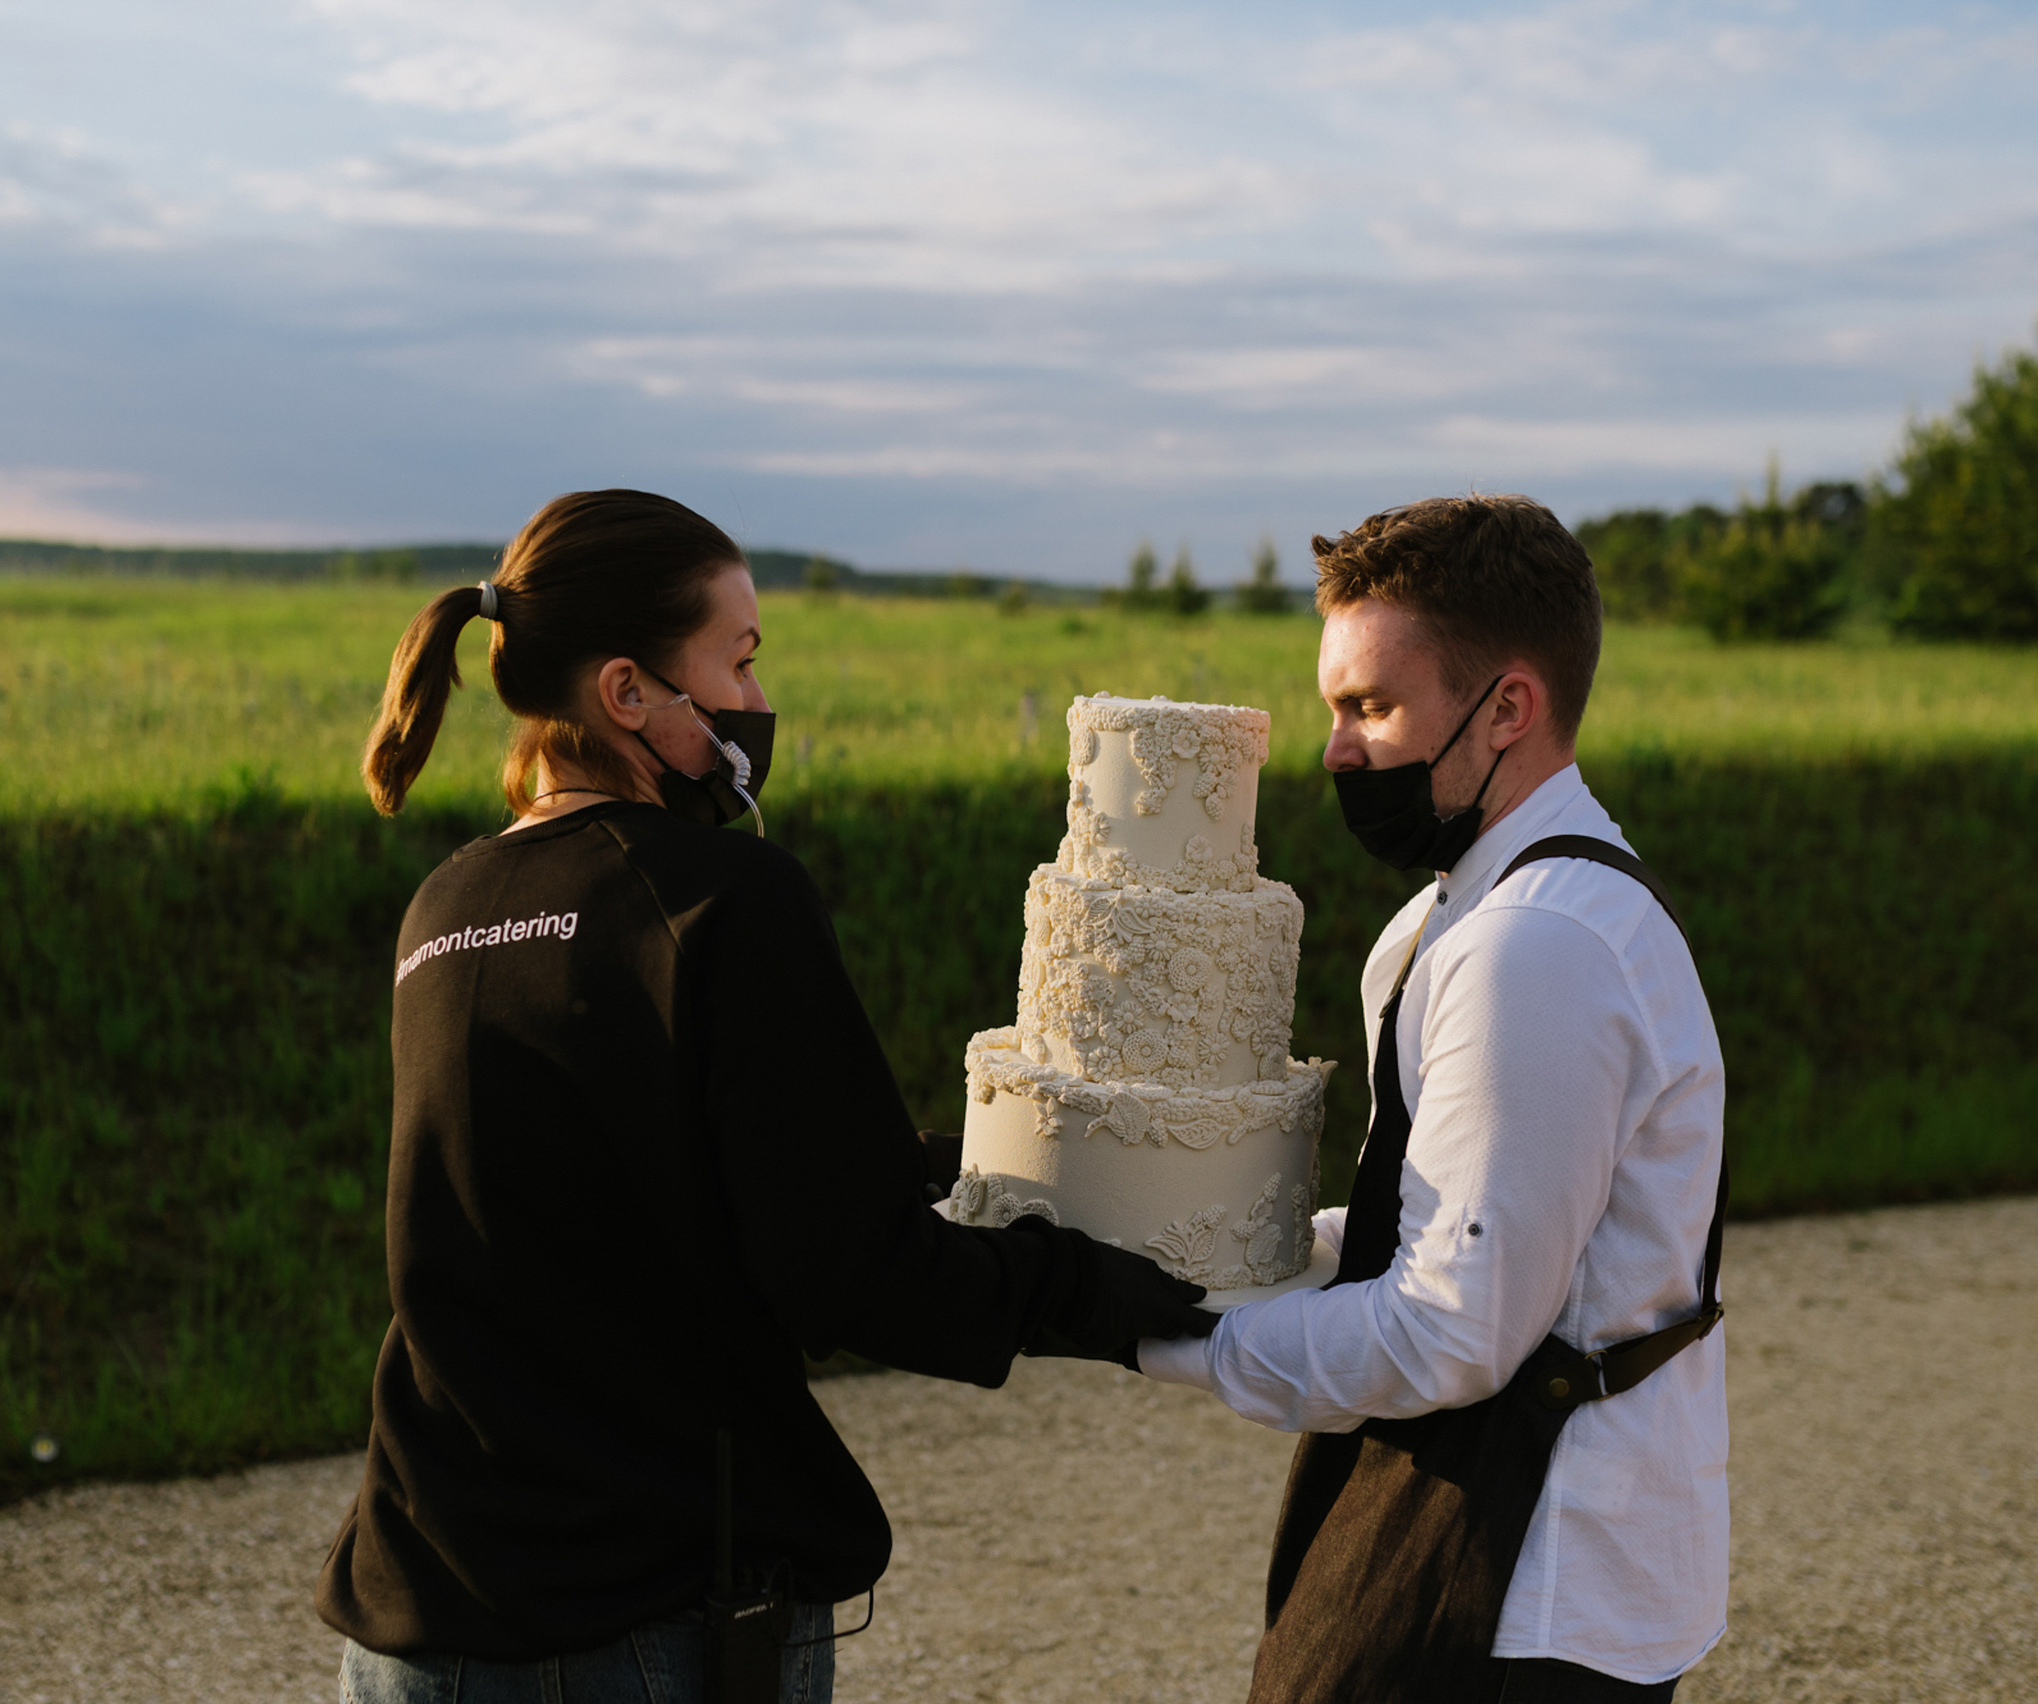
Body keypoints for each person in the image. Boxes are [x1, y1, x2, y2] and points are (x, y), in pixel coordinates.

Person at [317, 488, 1212, 1704]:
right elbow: (848, 1270)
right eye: (735, 662)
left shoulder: (449, 907)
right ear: (628, 693)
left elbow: (655, 1177)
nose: (753, 701)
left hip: (417, 1608)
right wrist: (1091, 1287)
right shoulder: (725, 896)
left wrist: (972, 1163)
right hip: (633, 1624)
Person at [1137, 496, 1728, 1702]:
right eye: (1333, 709)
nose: (1336, 752)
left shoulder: (1537, 947)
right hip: (1475, 1528)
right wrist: (1165, 1255)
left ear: (1507, 706)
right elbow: (1416, 1235)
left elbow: (1446, 1328)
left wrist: (1143, 1332)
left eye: (1371, 707)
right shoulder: (1448, 919)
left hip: (1536, 1581)